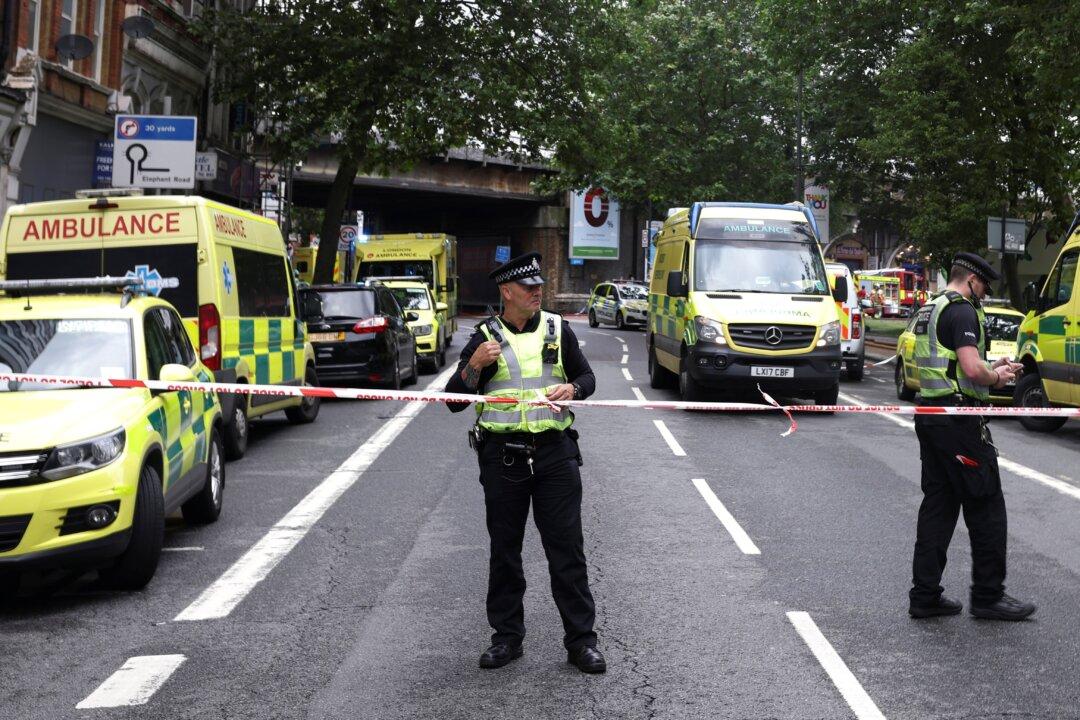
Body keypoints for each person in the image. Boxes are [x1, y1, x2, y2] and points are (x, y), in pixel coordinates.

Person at [445, 252, 606, 673]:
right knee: (505, 552)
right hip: (503, 458)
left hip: (555, 454)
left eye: (539, 287)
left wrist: (573, 388)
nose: (537, 292)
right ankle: (506, 639)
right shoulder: (484, 336)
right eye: (528, 288)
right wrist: (474, 367)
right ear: (506, 293)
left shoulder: (557, 328)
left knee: (567, 551)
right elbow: (453, 401)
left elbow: (588, 378)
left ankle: (582, 642)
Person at [908, 251, 1035, 621]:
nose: (984, 294)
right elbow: (969, 368)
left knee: (939, 506)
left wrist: (990, 365)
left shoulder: (931, 308)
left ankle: (925, 595)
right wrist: (998, 377)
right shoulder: (963, 309)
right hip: (959, 424)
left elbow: (951, 364)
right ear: (972, 281)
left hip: (932, 416)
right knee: (987, 504)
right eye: (984, 287)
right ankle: (988, 595)